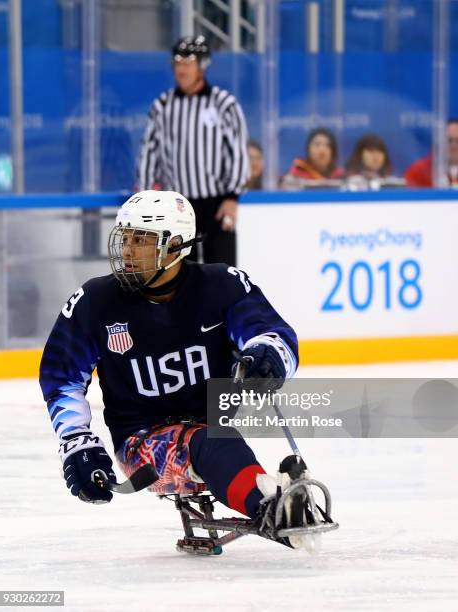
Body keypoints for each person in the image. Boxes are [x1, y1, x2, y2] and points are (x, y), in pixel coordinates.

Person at [39, 189, 308, 548]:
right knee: (210, 442)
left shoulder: (222, 285)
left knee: (212, 440)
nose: (128, 250)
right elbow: (62, 377)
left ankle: (269, 499)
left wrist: (268, 355)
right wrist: (76, 442)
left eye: (141, 240)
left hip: (211, 422)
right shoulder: (95, 302)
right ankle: (272, 507)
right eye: (124, 238)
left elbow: (274, 334)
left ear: (175, 245)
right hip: (141, 443)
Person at [137, 35, 249, 266]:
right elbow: (149, 153)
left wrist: (232, 197)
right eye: (177, 63)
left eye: (188, 63)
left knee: (220, 273)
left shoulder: (224, 104)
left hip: (216, 205)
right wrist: (146, 198)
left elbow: (237, 151)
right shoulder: (163, 106)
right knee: (175, 273)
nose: (181, 69)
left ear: (202, 66)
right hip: (175, 206)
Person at [280, 127, 344, 190]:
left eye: (327, 145)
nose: (322, 150)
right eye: (317, 144)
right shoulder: (295, 175)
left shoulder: (341, 177)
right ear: (308, 149)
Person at [404, 119, 458, 187]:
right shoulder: (418, 171)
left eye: (457, 140)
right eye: (449, 140)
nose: (454, 145)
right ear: (439, 142)